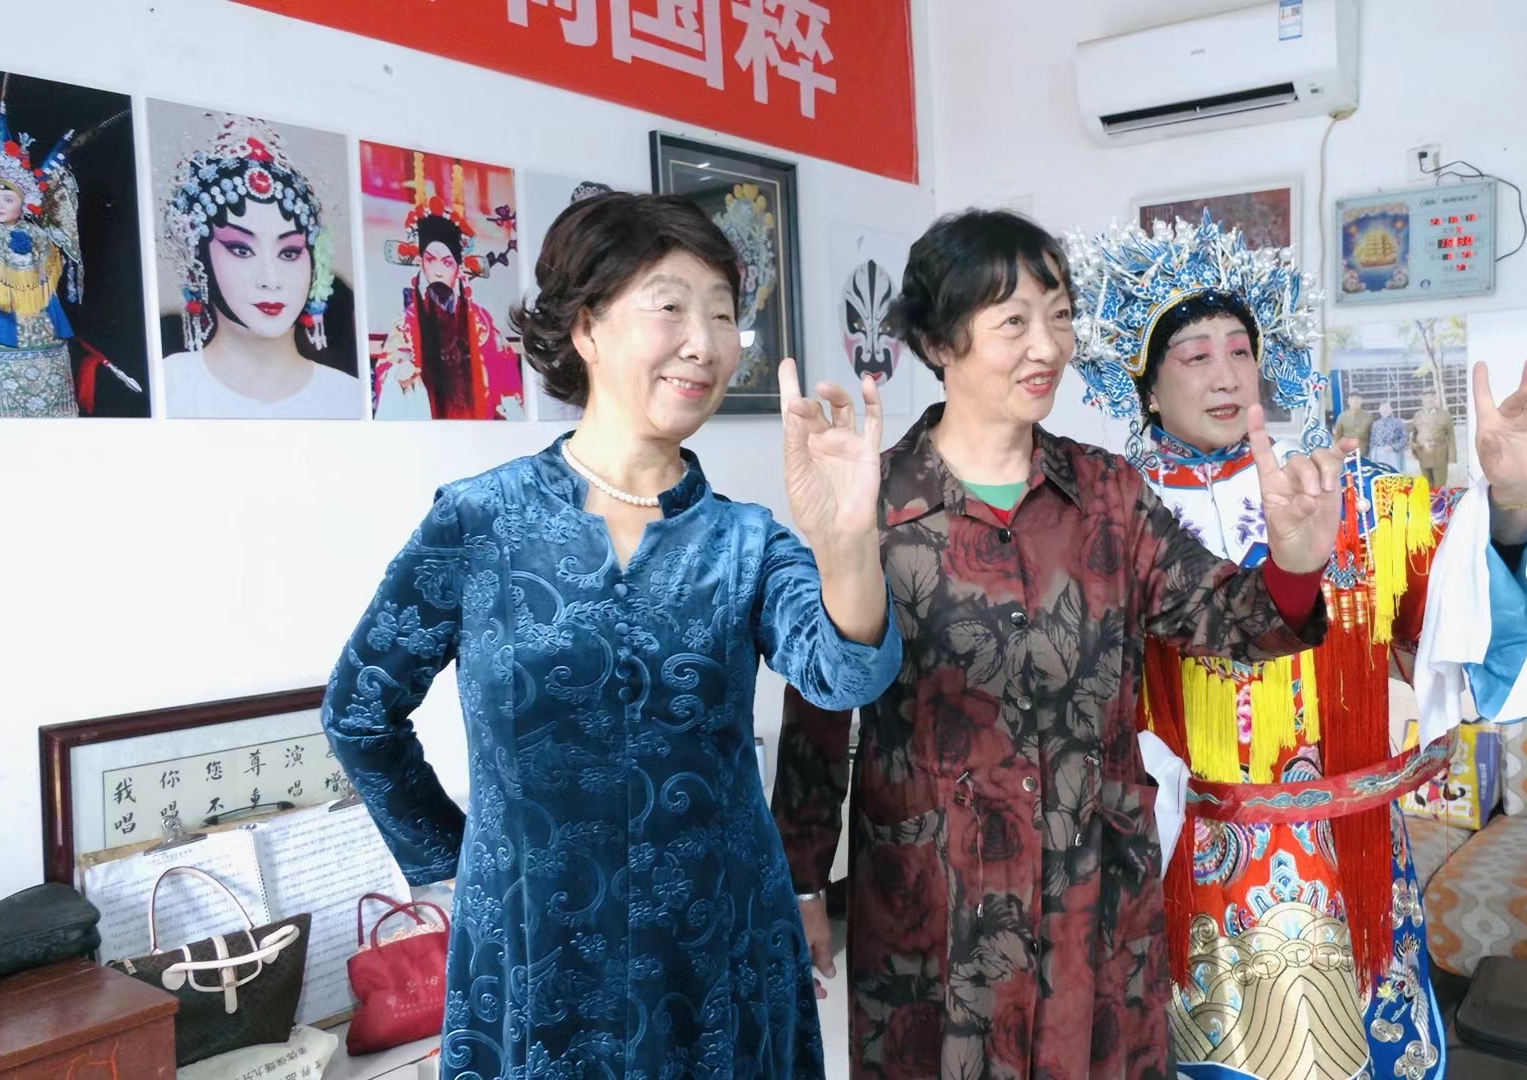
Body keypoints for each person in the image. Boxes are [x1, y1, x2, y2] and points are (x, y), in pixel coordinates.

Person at [323, 192, 901, 1078]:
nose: (705, 343)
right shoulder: (480, 523)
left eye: (723, 314)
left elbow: (845, 674)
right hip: (539, 958)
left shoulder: (746, 542)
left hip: (720, 949)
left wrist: (847, 540)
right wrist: (465, 863)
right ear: (586, 326)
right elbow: (360, 711)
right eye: (672, 307)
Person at [772, 209, 1348, 1078]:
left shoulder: (1109, 493)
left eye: (1061, 315)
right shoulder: (873, 501)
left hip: (1096, 896)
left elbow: (1226, 621)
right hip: (937, 906)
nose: (1046, 346)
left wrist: (1295, 564)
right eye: (1013, 321)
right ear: (939, 341)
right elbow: (818, 707)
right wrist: (805, 879)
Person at [1061, 213, 1527, 1080]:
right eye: (1195, 355)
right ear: (1145, 386)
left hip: (1351, 859)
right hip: (1183, 858)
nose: (1227, 375)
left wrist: (1516, 496)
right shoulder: (1106, 522)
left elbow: (1461, 618)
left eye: (1241, 350)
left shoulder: (1350, 495)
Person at [159, 114, 358, 418]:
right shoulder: (167, 386)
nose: (270, 279)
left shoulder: (350, 397)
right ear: (197, 257)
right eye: (241, 250)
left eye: (289, 253)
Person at [0, 92, 140, 416]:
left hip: (41, 331)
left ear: (25, 203)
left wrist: (28, 263)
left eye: (7, 199)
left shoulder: (41, 236)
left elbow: (47, 281)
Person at [373, 157, 524, 420]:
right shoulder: (406, 325)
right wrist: (400, 378)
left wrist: (507, 407)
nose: (439, 270)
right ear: (421, 265)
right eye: (431, 260)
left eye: (447, 262)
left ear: (458, 269)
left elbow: (507, 373)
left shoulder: (482, 323)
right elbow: (387, 368)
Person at [1408, 394, 1456, 487]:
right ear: (1422, 400)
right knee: (1426, 484)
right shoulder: (1418, 415)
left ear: (1435, 400)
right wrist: (1414, 451)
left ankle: (1439, 496)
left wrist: (1452, 457)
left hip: (1439, 455)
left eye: (1431, 398)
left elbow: (1451, 436)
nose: (1429, 401)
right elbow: (1414, 434)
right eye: (1426, 398)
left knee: (1439, 485)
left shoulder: (1445, 415)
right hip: (1423, 455)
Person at [1368, 399, 1407, 471]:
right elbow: (1372, 441)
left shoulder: (1398, 423)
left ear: (1391, 409)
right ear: (1379, 410)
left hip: (1393, 454)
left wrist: (1393, 447)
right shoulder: (1376, 424)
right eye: (1382, 408)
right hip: (1379, 455)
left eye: (1387, 407)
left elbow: (1404, 438)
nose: (1384, 410)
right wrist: (1371, 456)